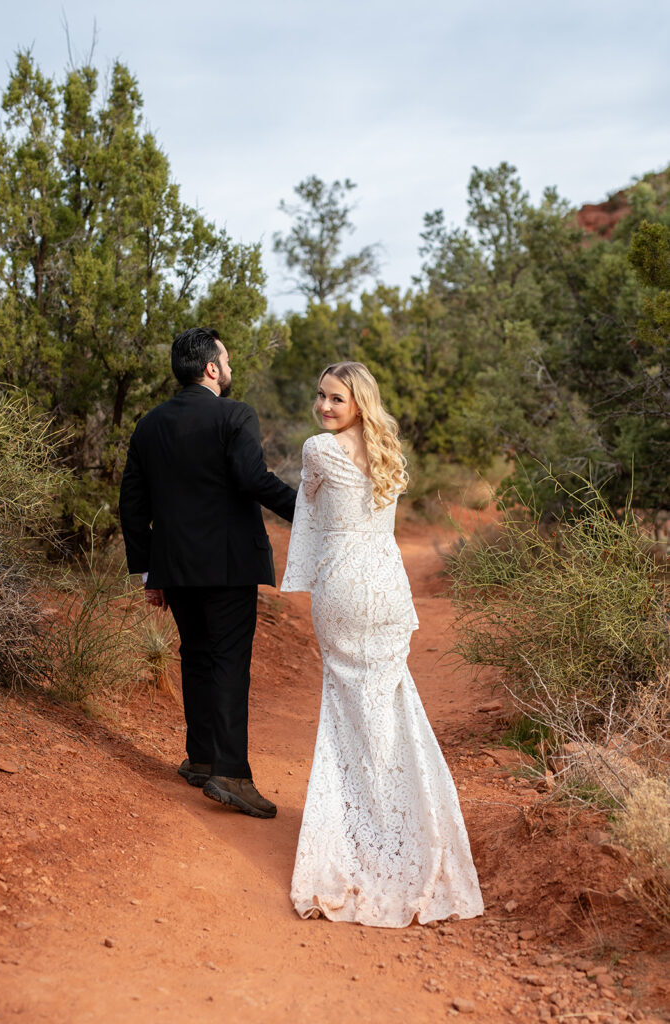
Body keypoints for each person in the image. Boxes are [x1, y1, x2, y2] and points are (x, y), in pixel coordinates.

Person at [280, 361, 483, 927]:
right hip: (388, 586)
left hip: (345, 583)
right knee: (390, 704)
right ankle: (407, 829)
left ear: (358, 402)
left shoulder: (319, 450)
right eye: (320, 396)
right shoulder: (389, 450)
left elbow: (311, 512)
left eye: (336, 399)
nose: (324, 407)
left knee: (348, 707)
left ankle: (358, 835)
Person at [119, 327, 296, 819]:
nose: (231, 371)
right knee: (228, 663)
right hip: (228, 565)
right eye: (228, 361)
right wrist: (309, 511)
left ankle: (200, 759)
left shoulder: (149, 424)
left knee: (195, 656)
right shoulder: (235, 414)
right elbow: (252, 478)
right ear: (213, 369)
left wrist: (149, 571)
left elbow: (132, 504)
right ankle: (232, 774)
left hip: (174, 567)